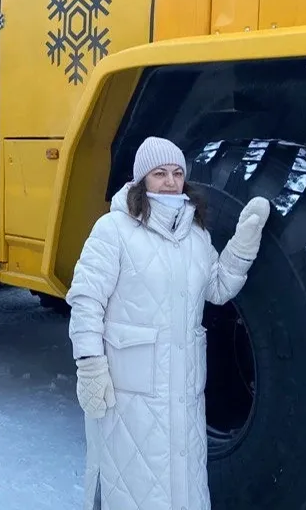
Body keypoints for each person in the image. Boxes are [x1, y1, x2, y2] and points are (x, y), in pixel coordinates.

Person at [65, 136, 271, 510]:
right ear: (142, 179)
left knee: (183, 484)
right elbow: (85, 299)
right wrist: (91, 365)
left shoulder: (195, 234)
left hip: (184, 392)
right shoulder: (113, 231)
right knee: (133, 486)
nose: (171, 181)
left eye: (177, 173)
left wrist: (244, 243)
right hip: (130, 394)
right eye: (160, 173)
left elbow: (218, 287)